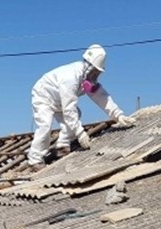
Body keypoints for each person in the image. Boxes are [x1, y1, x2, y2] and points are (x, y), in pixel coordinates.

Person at [27, 44, 136, 172]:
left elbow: (101, 96)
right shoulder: (71, 78)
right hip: (44, 96)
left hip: (60, 100)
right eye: (95, 72)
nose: (96, 75)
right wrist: (80, 133)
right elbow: (69, 109)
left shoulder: (86, 79)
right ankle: (35, 160)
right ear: (88, 66)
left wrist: (118, 115)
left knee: (76, 115)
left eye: (98, 73)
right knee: (45, 125)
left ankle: (62, 147)